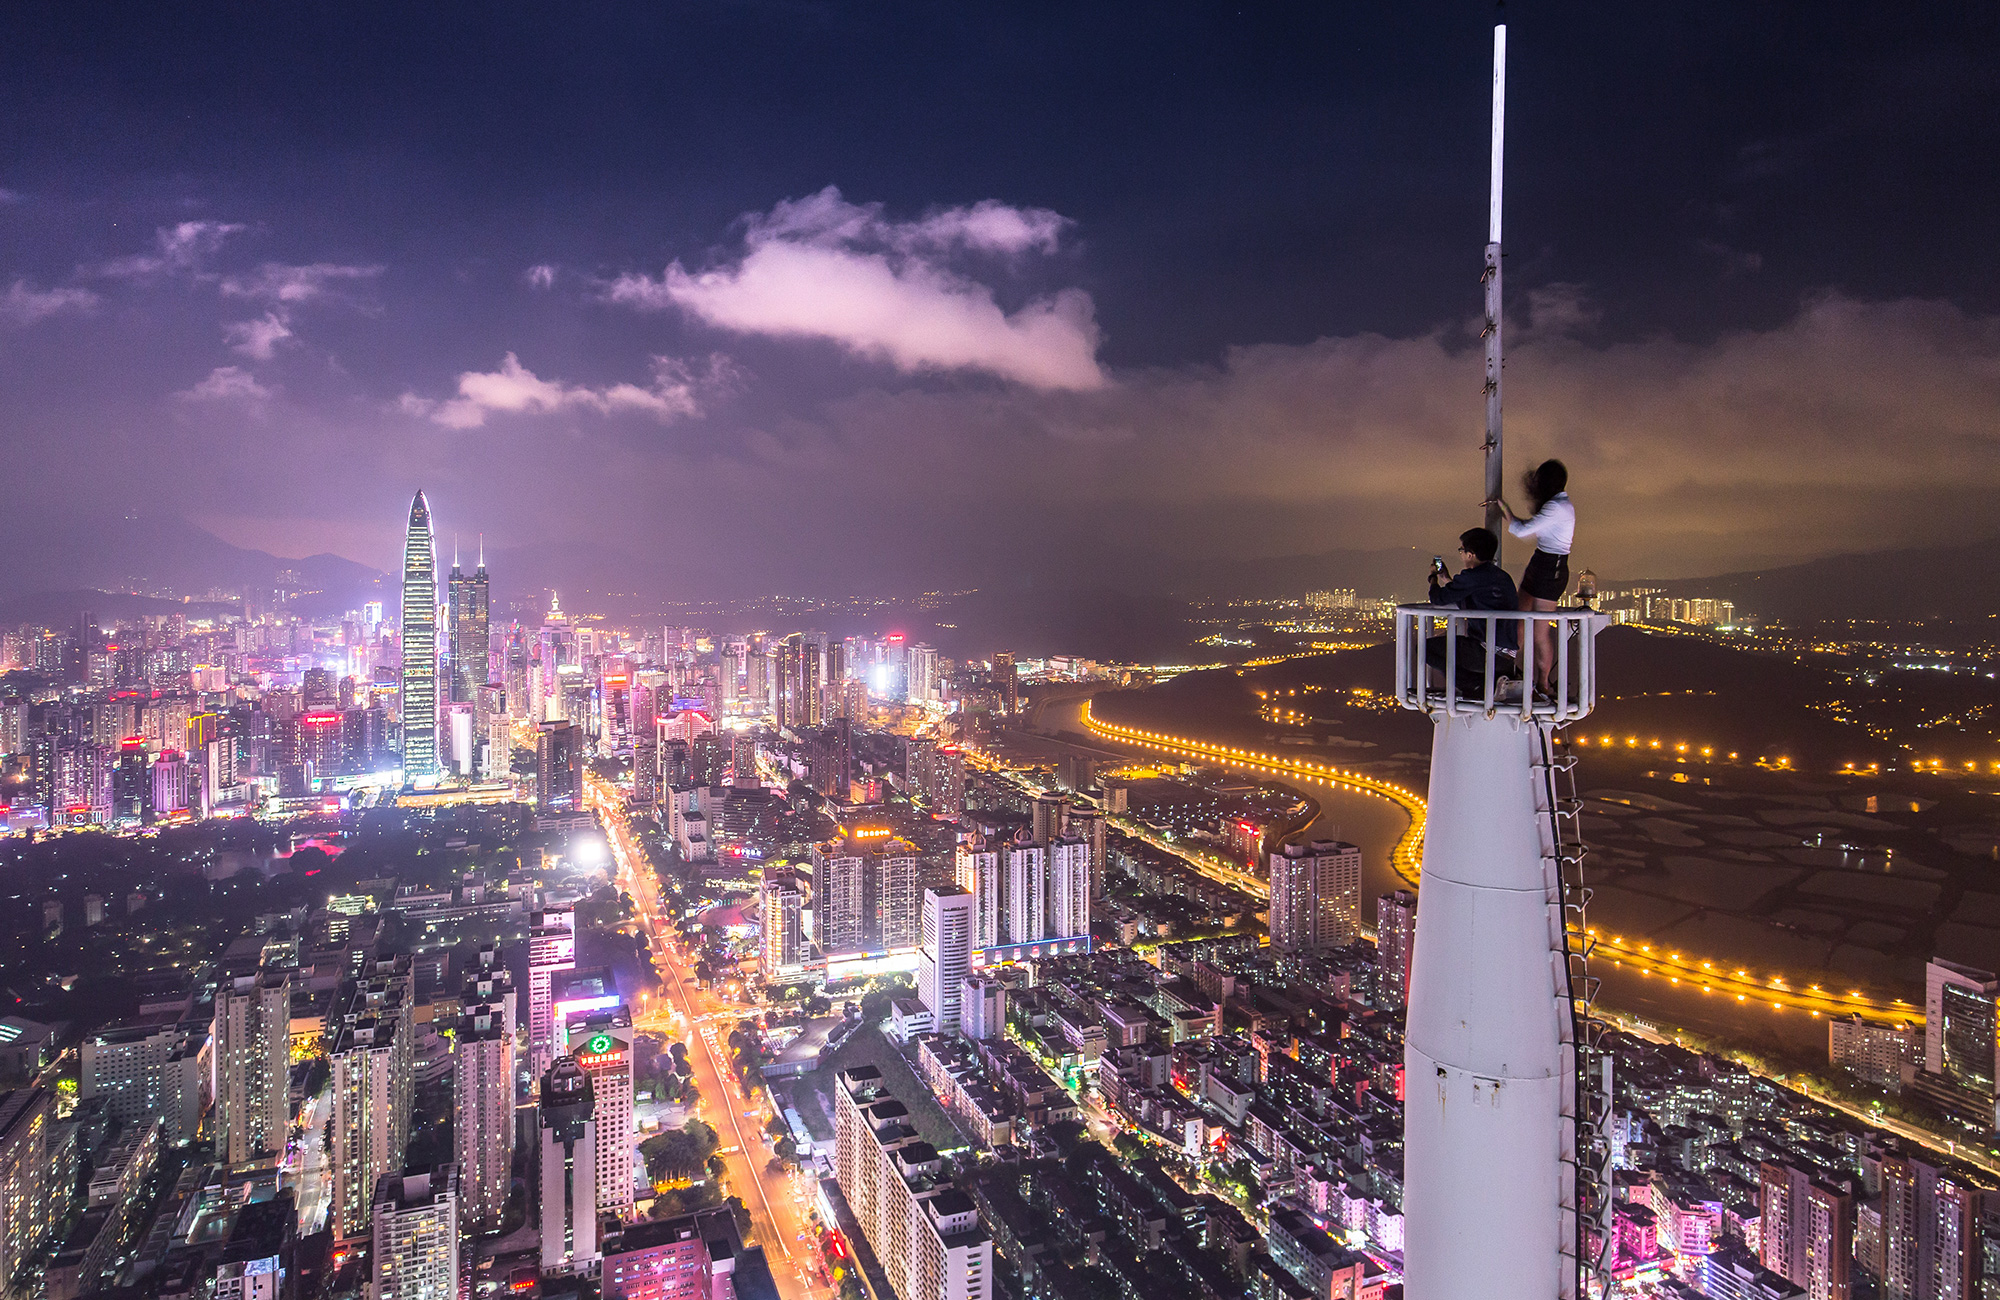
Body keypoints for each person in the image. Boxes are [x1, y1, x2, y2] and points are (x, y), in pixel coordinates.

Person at [1491, 458, 1575, 695]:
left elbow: (1520, 530)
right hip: (1542, 562)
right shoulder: (1558, 506)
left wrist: (1504, 509)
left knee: (1539, 632)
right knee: (1518, 623)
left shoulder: (1557, 508)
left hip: (1551, 568)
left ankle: (1543, 683)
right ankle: (1510, 673)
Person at [1424, 527, 1518, 695]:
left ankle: (1474, 686)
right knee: (1451, 648)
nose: (1461, 554)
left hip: (1485, 652)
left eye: (1462, 550)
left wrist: (1433, 578)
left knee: (1425, 648)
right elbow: (1468, 599)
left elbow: (1437, 598)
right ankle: (1480, 684)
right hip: (1507, 657)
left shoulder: (1472, 576)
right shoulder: (1502, 577)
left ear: (1470, 554)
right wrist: (1446, 579)